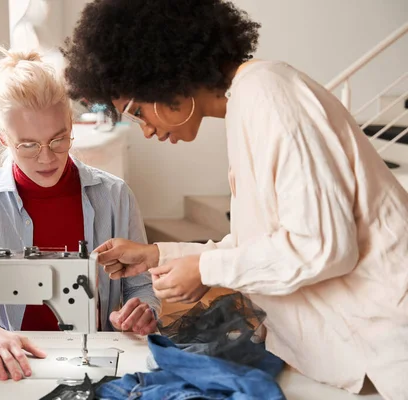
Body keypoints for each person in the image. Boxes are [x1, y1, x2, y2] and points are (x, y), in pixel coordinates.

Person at [61, 1, 408, 399]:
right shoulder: (248, 103)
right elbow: (263, 247)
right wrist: (158, 255)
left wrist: (205, 268)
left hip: (391, 343)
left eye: (137, 111)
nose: (146, 131)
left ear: (164, 74)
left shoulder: (269, 94)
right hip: (361, 349)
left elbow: (323, 246)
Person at [0, 45, 160, 382]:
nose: (46, 158)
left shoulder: (114, 196)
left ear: (71, 125)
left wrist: (143, 311)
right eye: (28, 145)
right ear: (3, 138)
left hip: (98, 364)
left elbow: (141, 289)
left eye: (58, 140)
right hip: (10, 370)